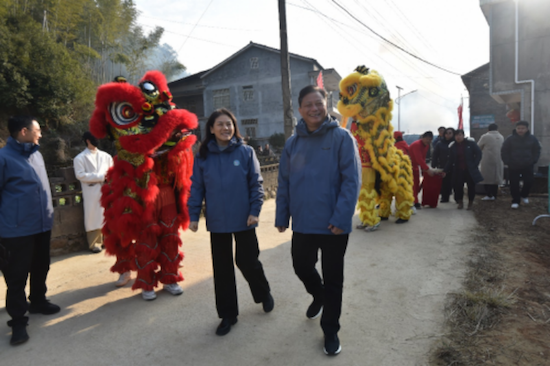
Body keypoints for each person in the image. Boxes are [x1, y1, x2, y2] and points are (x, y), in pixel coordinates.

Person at [275, 85, 361, 356]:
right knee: (301, 266)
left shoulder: (342, 138)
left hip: (334, 225)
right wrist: (281, 215)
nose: (314, 108)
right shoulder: (292, 143)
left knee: (334, 278)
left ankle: (330, 329)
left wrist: (341, 217)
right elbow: (284, 182)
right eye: (308, 105)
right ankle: (318, 294)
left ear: (327, 106)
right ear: (300, 110)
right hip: (303, 222)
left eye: (318, 103)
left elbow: (351, 182)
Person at [188, 108, 273, 337]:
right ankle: (228, 315)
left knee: (248, 261)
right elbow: (197, 187)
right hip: (217, 221)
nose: (226, 128)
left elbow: (256, 183)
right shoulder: (203, 157)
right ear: (212, 129)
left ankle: (263, 292)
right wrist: (193, 215)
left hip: (244, 218)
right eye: (220, 125)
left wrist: (255, 210)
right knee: (222, 269)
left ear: (234, 127)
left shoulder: (245, 152)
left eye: (229, 124)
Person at [0, 116, 60, 346]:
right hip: (16, 230)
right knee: (16, 277)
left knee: (41, 266)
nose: (41, 134)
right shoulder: (4, 158)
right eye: (38, 130)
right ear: (24, 131)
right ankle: (17, 321)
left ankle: (38, 301)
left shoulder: (36, 154)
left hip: (42, 225)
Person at [73, 132, 114, 253]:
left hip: (106, 189)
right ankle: (95, 243)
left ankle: (109, 240)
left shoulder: (106, 156)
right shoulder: (80, 158)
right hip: (92, 190)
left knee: (108, 214)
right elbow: (80, 175)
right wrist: (101, 177)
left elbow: (111, 171)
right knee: (93, 216)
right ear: (87, 141)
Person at [501, 120, 541, 209]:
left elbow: (537, 150)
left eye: (523, 128)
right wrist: (507, 161)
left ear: (527, 129)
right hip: (513, 164)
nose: (520, 130)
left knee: (529, 181)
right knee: (514, 183)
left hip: (528, 164)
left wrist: (533, 160)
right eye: (518, 128)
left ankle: (524, 195)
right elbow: (504, 151)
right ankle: (515, 200)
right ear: (516, 129)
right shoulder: (510, 139)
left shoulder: (532, 139)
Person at [444, 129, 483, 210]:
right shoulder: (453, 146)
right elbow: (450, 160)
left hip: (469, 169)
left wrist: (475, 164)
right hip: (458, 170)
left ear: (463, 135)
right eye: (456, 135)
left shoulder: (471, 144)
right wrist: (445, 170)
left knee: (471, 186)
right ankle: (460, 202)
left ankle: (470, 202)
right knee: (458, 187)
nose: (458, 137)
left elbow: (478, 153)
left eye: (460, 135)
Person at [408, 132, 436, 209]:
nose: (428, 141)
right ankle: (415, 202)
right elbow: (419, 159)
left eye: (430, 139)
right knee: (413, 184)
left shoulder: (426, 145)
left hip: (416, 165)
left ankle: (413, 200)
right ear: (422, 138)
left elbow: (423, 158)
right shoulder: (417, 145)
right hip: (408, 165)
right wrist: (427, 169)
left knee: (417, 184)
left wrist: (424, 169)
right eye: (427, 139)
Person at [478, 123, 504, 201]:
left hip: (487, 159)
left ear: (488, 129)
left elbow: (478, 146)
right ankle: (494, 195)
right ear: (497, 129)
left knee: (486, 178)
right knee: (495, 179)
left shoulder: (485, 136)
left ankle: (489, 195)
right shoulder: (501, 137)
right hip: (499, 160)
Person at [432, 127, 455, 203]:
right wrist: (434, 163)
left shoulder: (456, 143)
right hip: (442, 165)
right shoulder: (440, 143)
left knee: (454, 182)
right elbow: (435, 154)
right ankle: (444, 197)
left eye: (450, 133)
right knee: (444, 182)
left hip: (454, 166)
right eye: (446, 133)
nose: (448, 135)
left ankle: (457, 197)